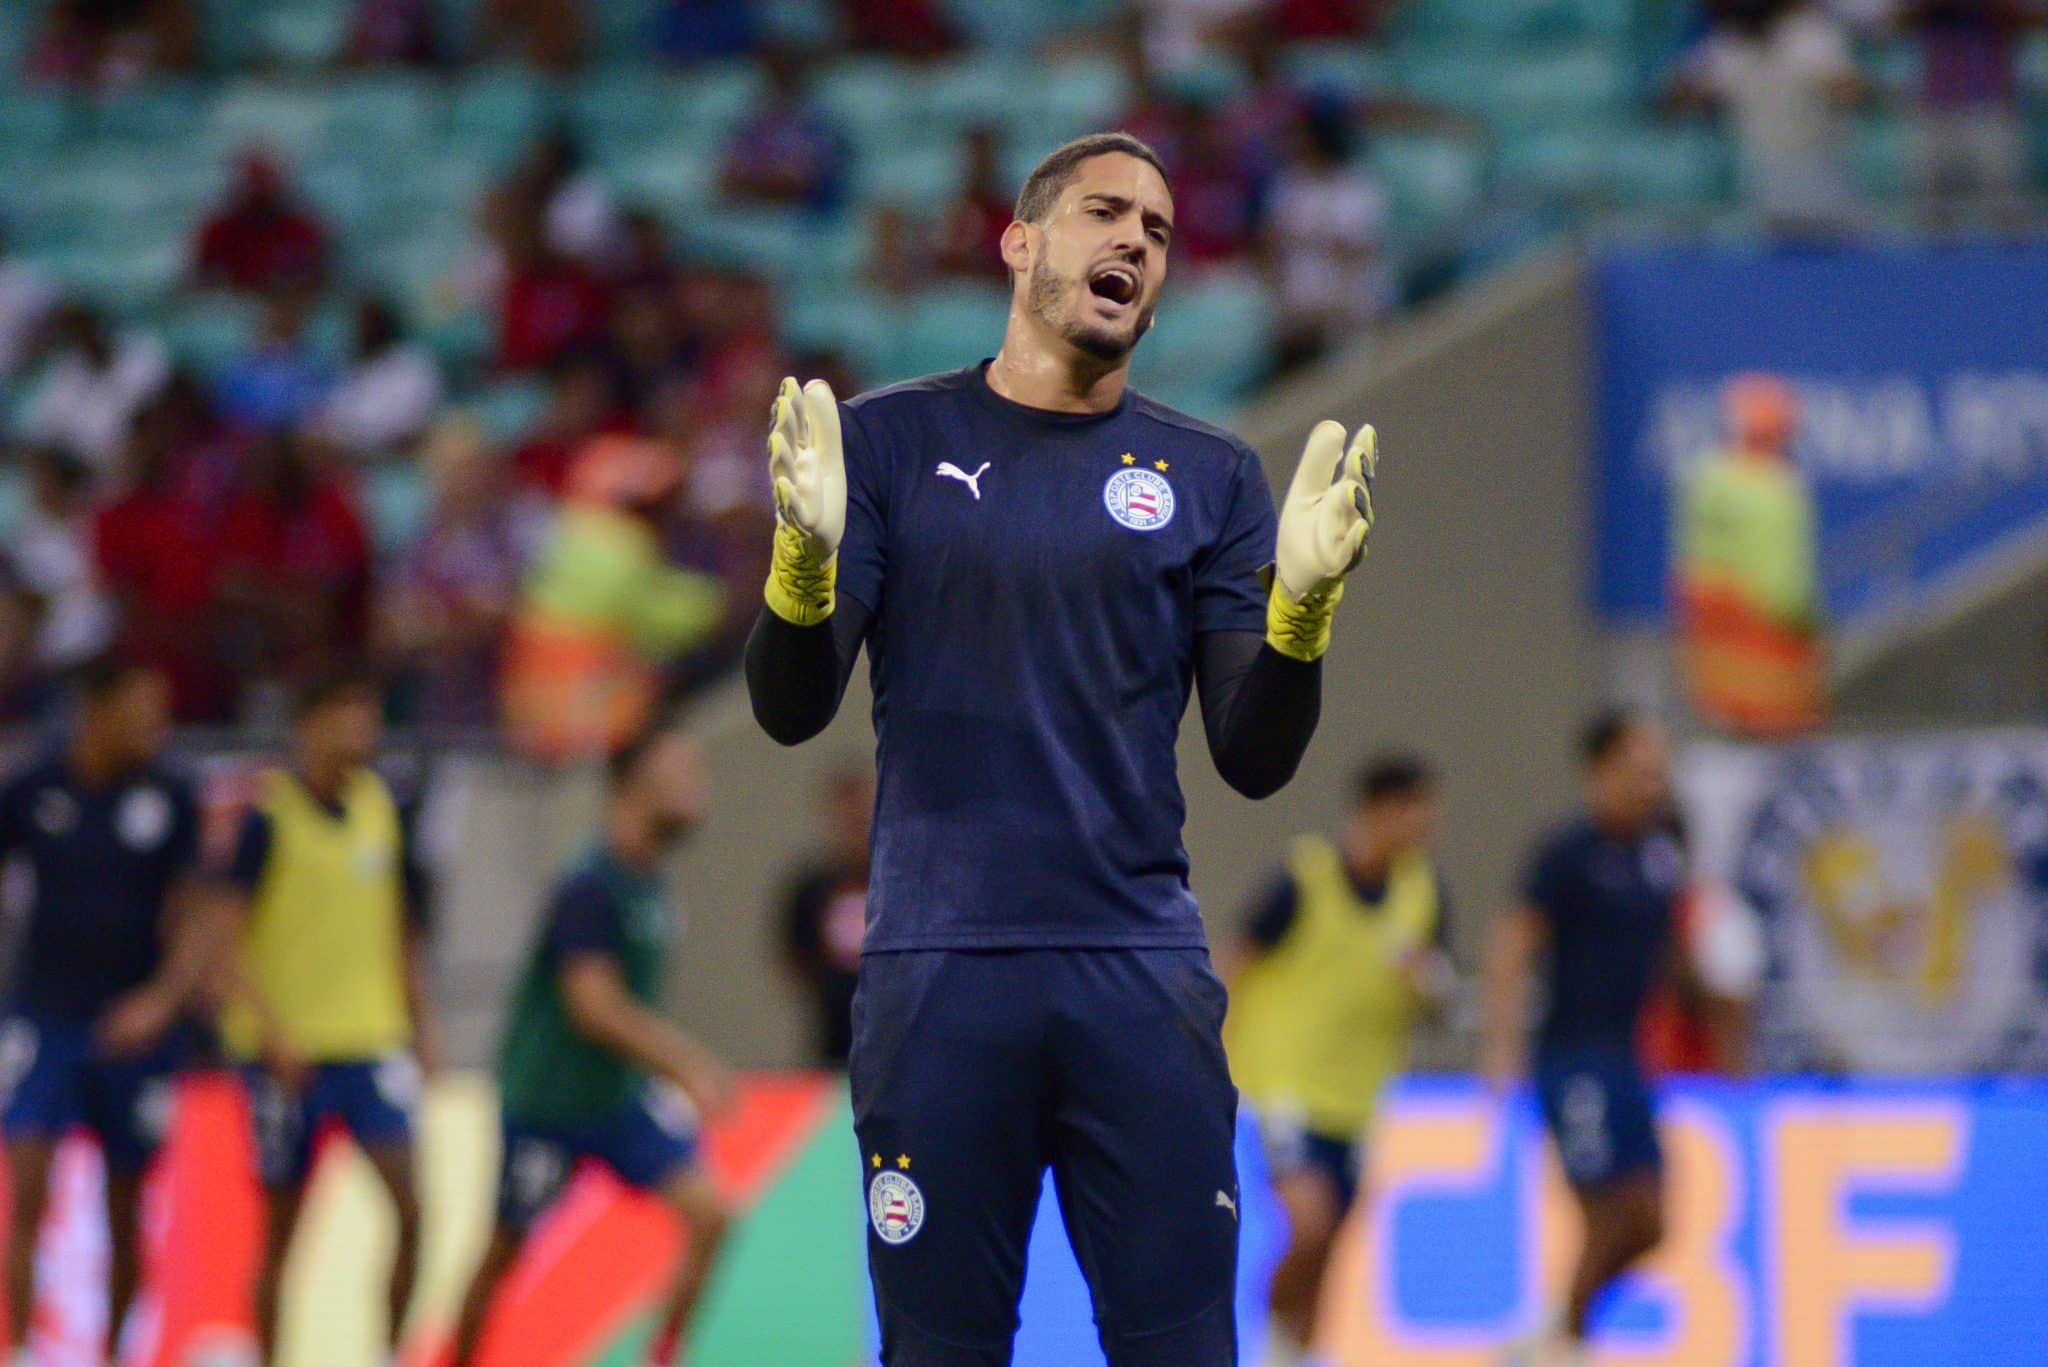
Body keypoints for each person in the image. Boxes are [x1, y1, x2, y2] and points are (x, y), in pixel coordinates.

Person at [744, 131, 1381, 1365]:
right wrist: (800, 570)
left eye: (1155, 233)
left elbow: (1253, 755)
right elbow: (788, 705)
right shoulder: (880, 446)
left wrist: (1296, 620)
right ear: (1020, 242)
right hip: (939, 978)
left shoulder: (1211, 477)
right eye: (1105, 213)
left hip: (1135, 977)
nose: (1134, 243)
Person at [449, 729, 734, 1367]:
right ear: (634, 784)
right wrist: (685, 1064)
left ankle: (660, 1354)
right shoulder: (588, 886)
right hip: (547, 1105)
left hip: (616, 1099)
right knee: (501, 1255)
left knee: (711, 1213)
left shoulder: (651, 885)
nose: (697, 785)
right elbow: (593, 1007)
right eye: (681, 768)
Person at [0, 657, 221, 1367]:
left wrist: (161, 1000)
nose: (156, 724)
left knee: (128, 1208)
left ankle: (115, 1354)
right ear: (94, 709)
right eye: (142, 706)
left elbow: (198, 914)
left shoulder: (172, 794)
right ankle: (26, 1350)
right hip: (43, 1015)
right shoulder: (32, 788)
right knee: (26, 1184)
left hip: (135, 1031)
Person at [216, 665, 438, 1366]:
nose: (362, 731)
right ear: (307, 725)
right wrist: (270, 1030)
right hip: (289, 1055)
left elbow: (398, 924)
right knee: (283, 1230)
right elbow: (221, 939)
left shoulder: (379, 804)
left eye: (368, 714)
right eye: (345, 713)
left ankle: (389, 1351)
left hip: (369, 1044)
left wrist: (420, 1021)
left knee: (410, 1205)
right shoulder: (268, 816)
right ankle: (268, 1353)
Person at [1223, 753, 1452, 1367]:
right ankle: (1262, 1343)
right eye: (1411, 812)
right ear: (1375, 811)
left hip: (1356, 1101)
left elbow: (1440, 1004)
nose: (1422, 828)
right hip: (1283, 1086)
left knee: (1331, 1250)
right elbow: (1235, 961)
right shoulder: (1305, 880)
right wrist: (1205, 1050)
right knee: (1309, 1224)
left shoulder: (1422, 894)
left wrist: (1428, 985)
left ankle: (1296, 1353)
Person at [1482, 711, 1684, 1367]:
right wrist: (1502, 1042)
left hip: (1627, 1058)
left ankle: (1550, 1333)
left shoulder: (1661, 853)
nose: (1651, 783)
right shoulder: (1567, 853)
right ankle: (1566, 1348)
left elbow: (1671, 956)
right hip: (1573, 1056)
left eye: (1657, 769)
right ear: (1599, 770)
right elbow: (1512, 942)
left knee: (1651, 1222)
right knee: (1604, 1211)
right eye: (1638, 768)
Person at [1671, 373, 1822, 737]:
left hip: (1707, 613)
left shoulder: (1704, 475)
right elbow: (1785, 584)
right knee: (1774, 728)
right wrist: (1806, 624)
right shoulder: (1779, 485)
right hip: (1764, 622)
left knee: (1719, 719)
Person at [775, 764, 873, 1068]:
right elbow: (793, 952)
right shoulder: (814, 889)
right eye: (849, 816)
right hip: (834, 1043)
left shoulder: (899, 886)